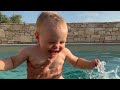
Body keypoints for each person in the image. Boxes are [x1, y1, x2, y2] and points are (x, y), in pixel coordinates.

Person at [0, 11, 100, 79]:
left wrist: (90, 64)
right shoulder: (30, 52)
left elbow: (76, 62)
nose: (57, 46)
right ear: (38, 37)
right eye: (51, 42)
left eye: (62, 42)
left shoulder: (64, 52)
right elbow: (13, 62)